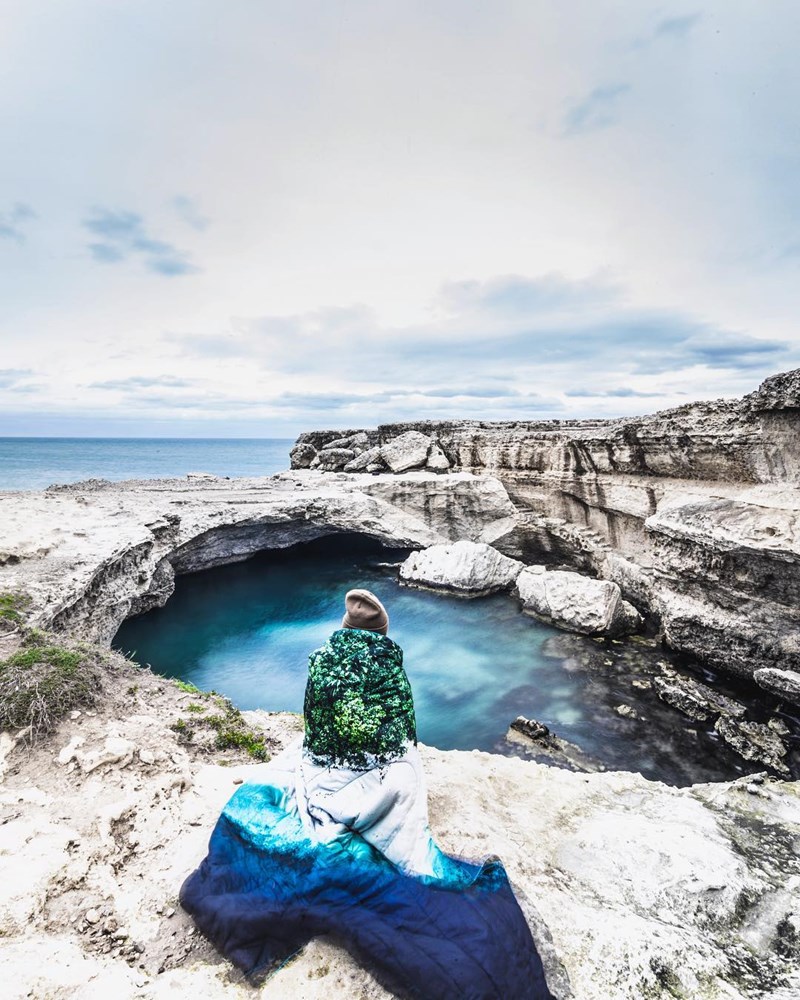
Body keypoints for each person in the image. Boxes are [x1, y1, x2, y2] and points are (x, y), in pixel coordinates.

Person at [180, 588, 555, 999]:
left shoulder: (321, 660)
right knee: (402, 776)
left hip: (321, 770)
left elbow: (315, 728)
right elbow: (402, 737)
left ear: (345, 627)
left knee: (298, 767)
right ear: (381, 632)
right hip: (371, 779)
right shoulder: (388, 667)